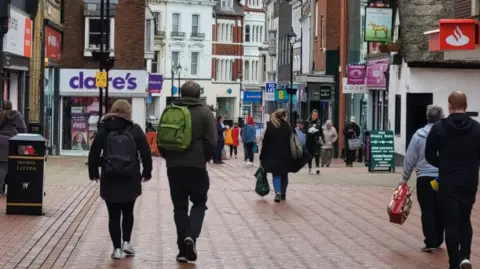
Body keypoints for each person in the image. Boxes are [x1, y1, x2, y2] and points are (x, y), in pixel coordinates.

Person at [159, 81, 217, 263]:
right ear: (198, 94)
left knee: (180, 207)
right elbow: (212, 142)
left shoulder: (170, 109)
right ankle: (191, 236)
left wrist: (169, 157)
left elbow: (161, 138)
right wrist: (203, 158)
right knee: (199, 203)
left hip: (174, 167)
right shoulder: (205, 112)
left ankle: (182, 251)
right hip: (197, 167)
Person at [88, 100, 153, 259]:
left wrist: (94, 172)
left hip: (110, 176)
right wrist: (147, 172)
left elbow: (94, 152)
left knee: (114, 214)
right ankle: (126, 243)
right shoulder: (135, 129)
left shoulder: (105, 128)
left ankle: (116, 249)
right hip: (130, 176)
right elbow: (146, 153)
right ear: (129, 113)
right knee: (128, 211)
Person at [425, 91, 480, 269]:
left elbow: (429, 155)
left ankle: (454, 263)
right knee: (465, 219)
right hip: (469, 181)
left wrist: (443, 164)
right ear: (466, 105)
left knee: (451, 222)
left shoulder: (439, 128)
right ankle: (466, 257)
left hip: (448, 181)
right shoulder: (477, 128)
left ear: (449, 106)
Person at [400, 105, 444, 253]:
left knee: (427, 210)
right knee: (441, 209)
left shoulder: (418, 135)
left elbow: (409, 158)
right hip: (442, 177)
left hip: (424, 178)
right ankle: (438, 239)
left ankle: (430, 241)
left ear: (427, 117)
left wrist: (405, 178)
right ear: (441, 117)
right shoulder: (445, 134)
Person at [260, 109, 292, 202]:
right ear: (283, 116)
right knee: (284, 175)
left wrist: (262, 156)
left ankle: (277, 193)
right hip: (285, 154)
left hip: (273, 155)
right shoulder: (287, 126)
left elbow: (265, 143)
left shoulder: (270, 126)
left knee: (276, 174)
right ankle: (283, 193)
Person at [0, 100, 26, 197]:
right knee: (15, 167)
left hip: (1, 143)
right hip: (13, 143)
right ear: (11, 106)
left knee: (2, 167)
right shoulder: (17, 115)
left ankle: (0, 190)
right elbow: (23, 129)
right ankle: (14, 189)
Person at [304, 110, 324, 175]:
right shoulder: (307, 122)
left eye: (316, 115)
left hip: (316, 141)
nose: (315, 116)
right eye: (314, 115)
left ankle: (317, 168)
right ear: (311, 115)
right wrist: (308, 130)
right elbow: (304, 130)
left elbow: (321, 132)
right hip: (309, 141)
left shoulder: (318, 123)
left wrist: (322, 139)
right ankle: (310, 169)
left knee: (317, 154)